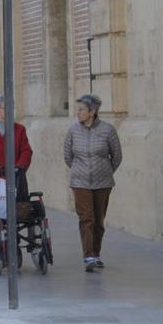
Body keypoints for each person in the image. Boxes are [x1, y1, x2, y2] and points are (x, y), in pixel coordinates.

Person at [64, 94, 123, 272]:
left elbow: (117, 156)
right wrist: (79, 170)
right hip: (80, 181)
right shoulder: (73, 130)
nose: (78, 112)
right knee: (86, 217)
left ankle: (96, 254)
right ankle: (88, 255)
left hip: (103, 182)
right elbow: (68, 156)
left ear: (93, 111)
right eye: (78, 109)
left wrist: (104, 171)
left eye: (82, 109)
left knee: (98, 220)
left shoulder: (108, 130)